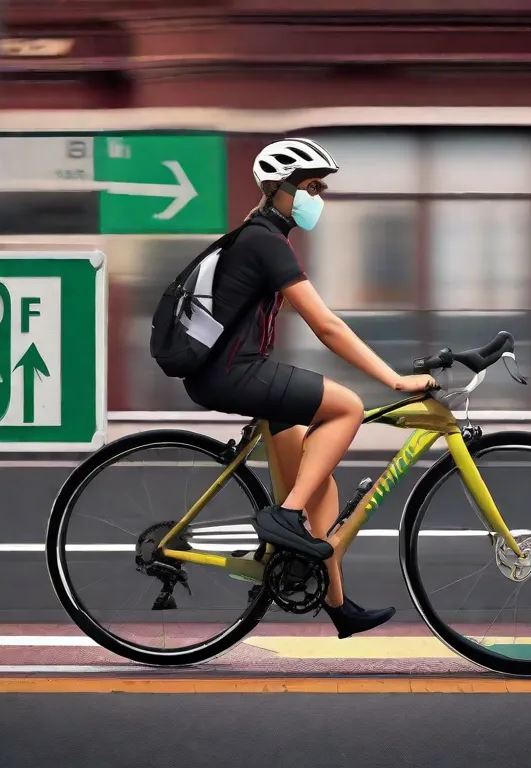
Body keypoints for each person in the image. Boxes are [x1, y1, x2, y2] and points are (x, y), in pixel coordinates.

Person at [181, 137, 437, 638]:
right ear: (279, 189)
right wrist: (394, 379)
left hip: (235, 372)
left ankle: (337, 605)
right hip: (235, 375)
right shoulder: (264, 241)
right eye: (311, 186)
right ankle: (285, 516)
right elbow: (327, 325)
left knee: (321, 480)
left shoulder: (264, 237)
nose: (317, 196)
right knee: (347, 408)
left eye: (320, 188)